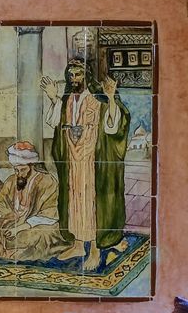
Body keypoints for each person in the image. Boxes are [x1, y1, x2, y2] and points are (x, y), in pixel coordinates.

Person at [43, 58, 131, 272]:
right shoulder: (68, 100)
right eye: (71, 75)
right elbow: (54, 122)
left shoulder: (99, 98)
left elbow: (114, 126)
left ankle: (94, 250)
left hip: (93, 162)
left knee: (91, 204)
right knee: (74, 202)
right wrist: (54, 99)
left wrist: (111, 98)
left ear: (87, 76)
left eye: (79, 75)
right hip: (73, 161)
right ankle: (79, 244)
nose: (75, 79)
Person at [0, 141, 73, 263]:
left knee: (34, 237)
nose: (18, 174)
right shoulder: (11, 180)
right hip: (10, 221)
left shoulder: (47, 182)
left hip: (34, 226)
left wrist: (19, 228)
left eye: (22, 169)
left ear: (31, 165)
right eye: (16, 170)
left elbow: (49, 214)